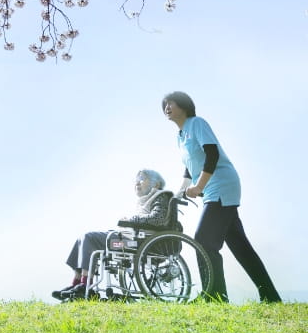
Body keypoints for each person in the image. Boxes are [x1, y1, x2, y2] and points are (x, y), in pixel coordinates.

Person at [162, 91, 281, 303]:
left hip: (221, 185)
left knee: (204, 239)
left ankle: (215, 295)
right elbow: (190, 168)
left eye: (171, 103)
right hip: (211, 189)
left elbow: (212, 154)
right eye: (165, 105)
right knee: (240, 246)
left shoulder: (197, 123)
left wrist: (198, 187)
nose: (167, 107)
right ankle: (271, 296)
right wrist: (181, 190)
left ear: (184, 105)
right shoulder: (179, 136)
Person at [52, 169, 174, 300]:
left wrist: (132, 220)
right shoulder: (145, 200)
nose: (137, 183)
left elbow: (158, 219)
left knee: (89, 238)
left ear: (156, 185)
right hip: (131, 239)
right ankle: (76, 284)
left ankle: (84, 284)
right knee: (81, 239)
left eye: (142, 179)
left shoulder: (161, 196)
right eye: (136, 180)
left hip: (139, 242)